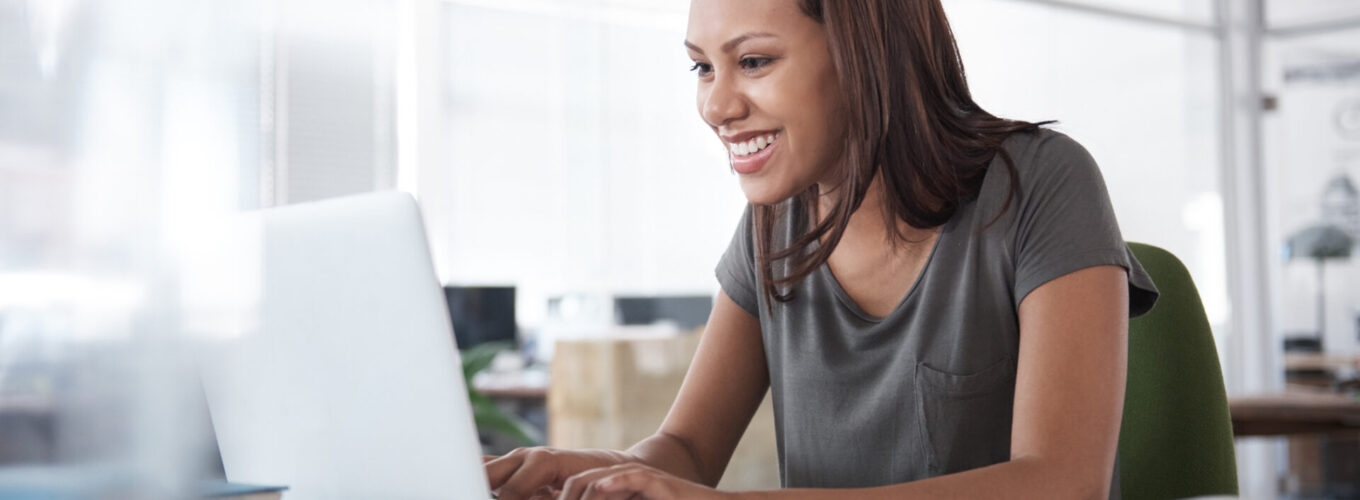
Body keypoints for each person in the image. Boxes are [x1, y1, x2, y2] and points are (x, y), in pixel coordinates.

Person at [483, 0, 1159, 498]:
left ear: (865, 55)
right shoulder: (771, 227)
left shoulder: (1041, 183)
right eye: (700, 67)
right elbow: (688, 447)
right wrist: (594, 474)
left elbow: (1064, 484)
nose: (716, 106)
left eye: (753, 61)